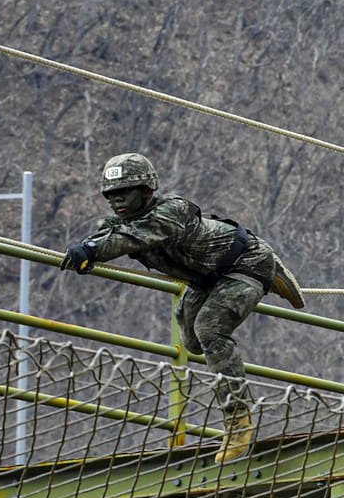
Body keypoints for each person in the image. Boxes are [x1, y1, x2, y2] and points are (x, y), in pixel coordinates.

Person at [59, 153, 305, 463]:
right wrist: (85, 249)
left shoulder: (171, 211)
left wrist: (93, 249)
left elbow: (127, 239)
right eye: (111, 194)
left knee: (210, 330)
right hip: (205, 279)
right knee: (192, 342)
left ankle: (238, 421)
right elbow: (106, 235)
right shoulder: (121, 223)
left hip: (245, 264)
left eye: (125, 191)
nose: (116, 200)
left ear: (147, 191)